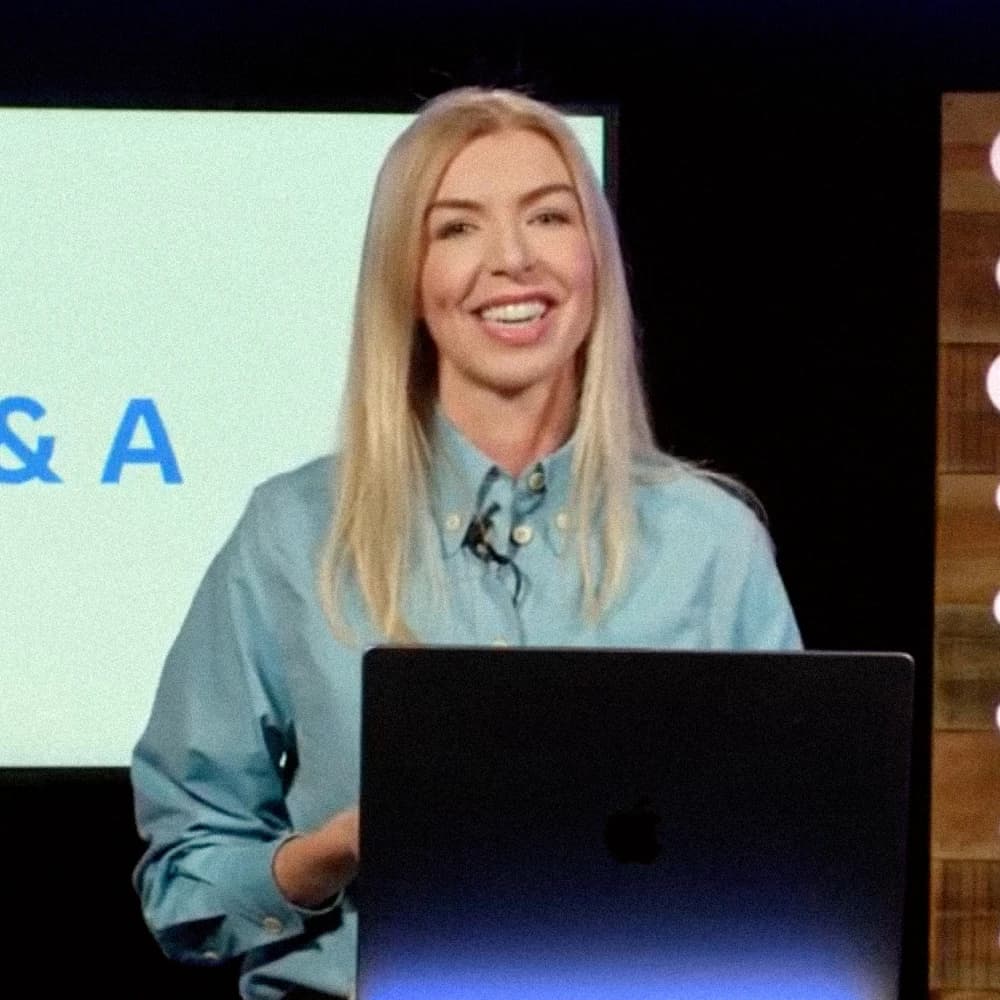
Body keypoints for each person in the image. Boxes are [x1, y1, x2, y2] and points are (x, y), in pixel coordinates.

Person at [131, 86, 801, 1000]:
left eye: (549, 216)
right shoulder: (293, 533)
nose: (512, 261)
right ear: (406, 279)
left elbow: (795, 869)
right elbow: (186, 877)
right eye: (457, 229)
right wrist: (335, 852)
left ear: (595, 258)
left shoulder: (711, 544)